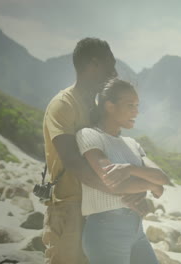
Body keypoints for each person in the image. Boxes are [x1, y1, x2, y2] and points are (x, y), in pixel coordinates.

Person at [42, 38, 147, 264]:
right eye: (111, 65)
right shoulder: (63, 105)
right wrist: (122, 192)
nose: (115, 72)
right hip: (69, 208)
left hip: (99, 211)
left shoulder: (99, 108)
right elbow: (73, 162)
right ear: (93, 64)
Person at [76, 78, 171, 264]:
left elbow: (163, 178)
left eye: (137, 105)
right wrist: (150, 186)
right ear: (110, 106)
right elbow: (112, 181)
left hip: (136, 230)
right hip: (106, 231)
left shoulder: (132, 144)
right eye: (130, 105)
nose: (136, 111)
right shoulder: (90, 135)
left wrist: (130, 169)